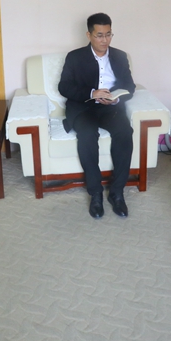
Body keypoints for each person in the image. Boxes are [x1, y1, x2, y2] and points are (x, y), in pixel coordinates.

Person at [58, 13, 137, 219]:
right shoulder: (75, 57)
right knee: (87, 134)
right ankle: (96, 194)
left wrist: (116, 99)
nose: (105, 40)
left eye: (108, 34)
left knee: (125, 132)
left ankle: (117, 192)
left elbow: (130, 87)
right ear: (89, 35)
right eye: (99, 35)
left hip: (110, 108)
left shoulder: (120, 56)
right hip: (83, 107)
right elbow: (64, 87)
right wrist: (92, 93)